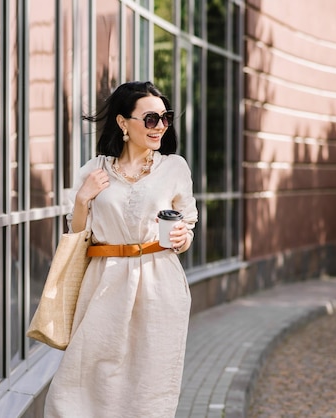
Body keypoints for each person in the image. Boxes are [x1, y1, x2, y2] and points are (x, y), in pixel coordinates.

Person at [44, 81, 198, 417]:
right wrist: (84, 197)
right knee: (80, 381)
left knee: (148, 385)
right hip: (104, 282)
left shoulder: (174, 168)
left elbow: (186, 226)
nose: (160, 126)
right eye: (150, 119)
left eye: (165, 118)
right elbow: (78, 234)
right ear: (122, 122)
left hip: (159, 284)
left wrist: (183, 238)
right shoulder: (94, 170)